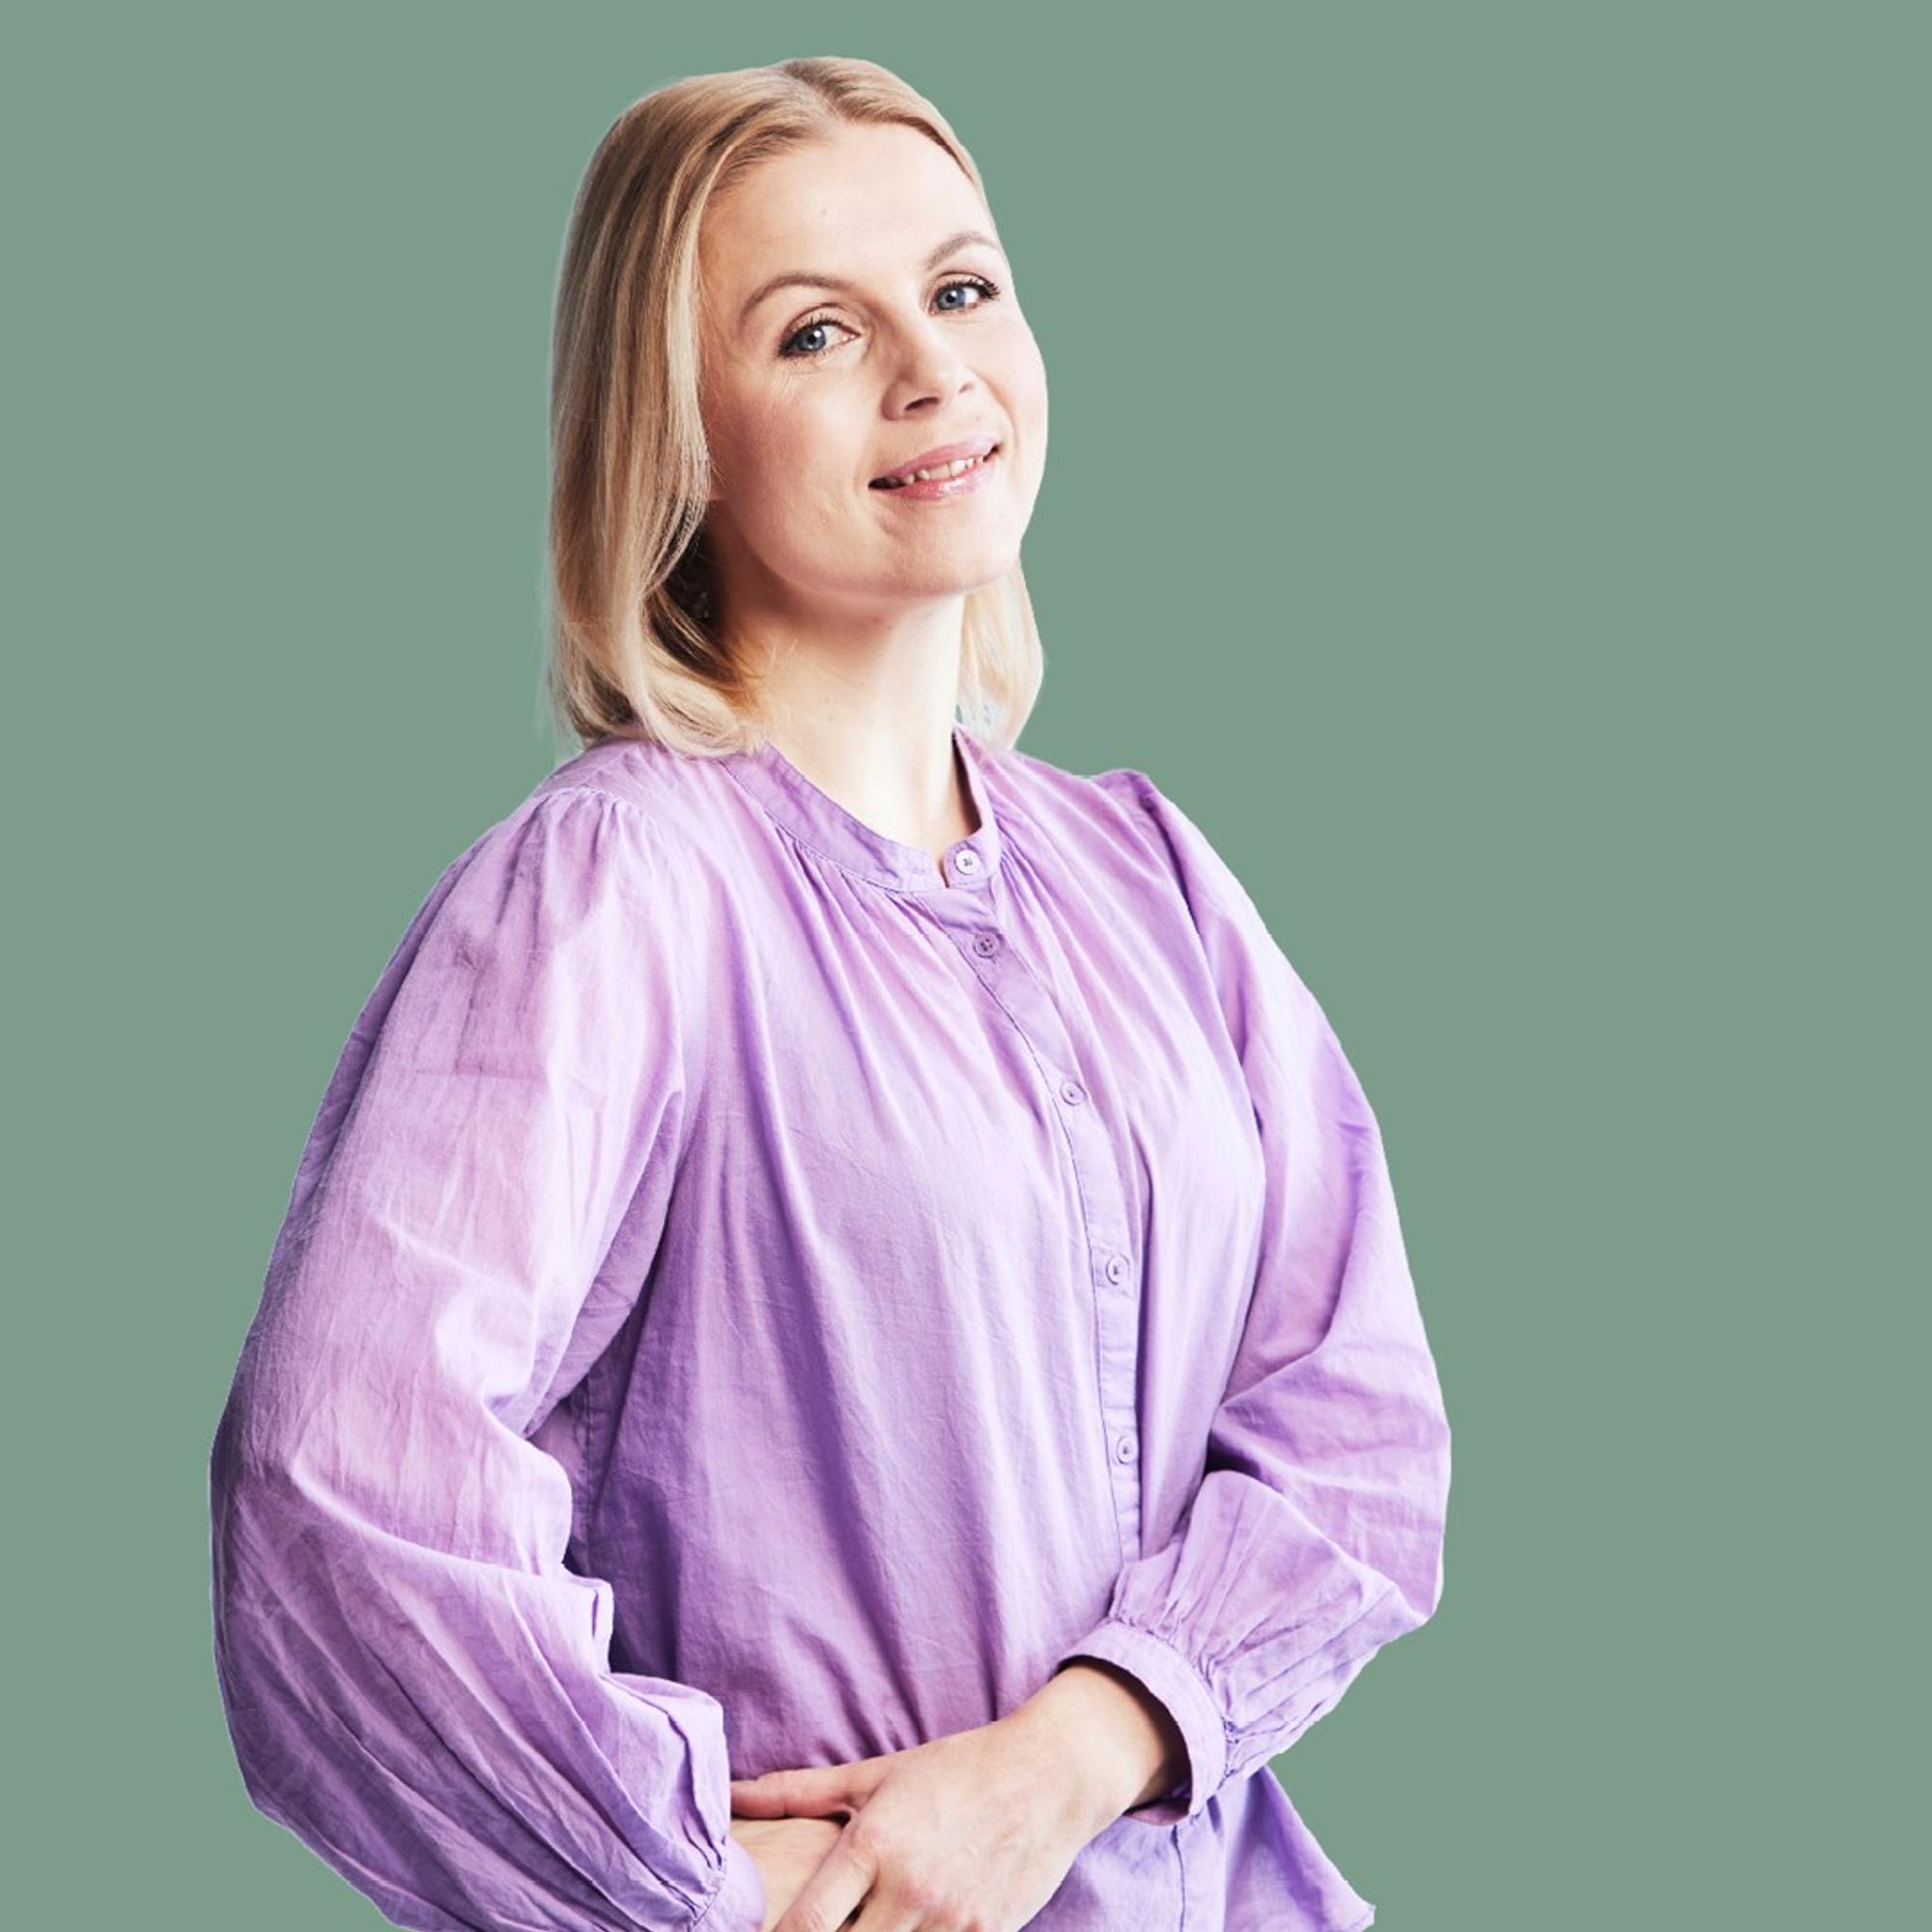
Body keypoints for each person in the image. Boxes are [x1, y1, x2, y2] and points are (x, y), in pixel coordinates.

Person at [208, 55, 1451, 1932]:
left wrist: (1079, 1746)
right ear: (677, 433)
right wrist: (713, 1878)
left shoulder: (1151, 875)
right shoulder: (619, 889)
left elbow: (1354, 1431)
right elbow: (340, 1506)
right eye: (813, 332)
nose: (930, 367)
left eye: (961, 290)